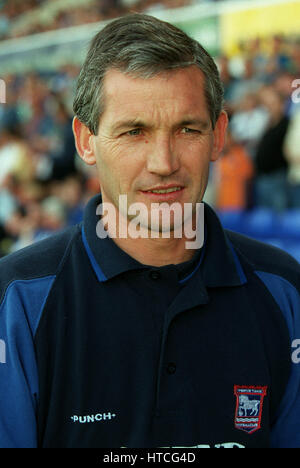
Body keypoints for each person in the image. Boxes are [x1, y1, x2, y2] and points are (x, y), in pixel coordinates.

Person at [0, 14, 299, 449]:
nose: (163, 162)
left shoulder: (284, 289)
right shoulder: (17, 300)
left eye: (187, 129)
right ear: (86, 141)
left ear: (218, 136)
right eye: (134, 131)